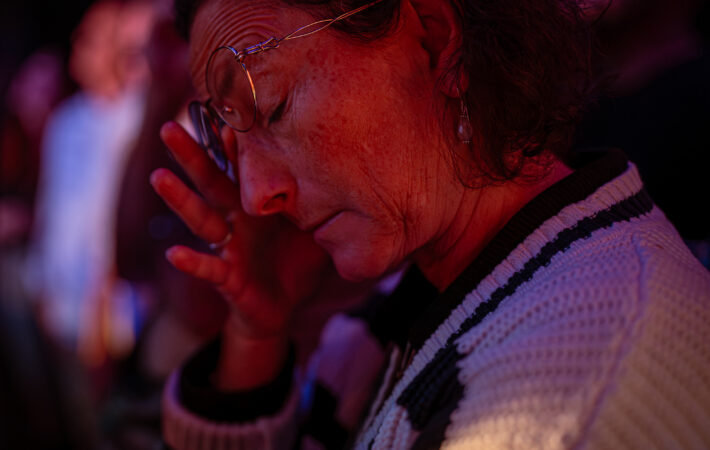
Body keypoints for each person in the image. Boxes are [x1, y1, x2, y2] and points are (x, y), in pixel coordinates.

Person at [152, 0, 710, 448]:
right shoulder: (408, 304)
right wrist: (257, 336)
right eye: (232, 142)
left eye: (273, 106)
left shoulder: (567, 384)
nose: (254, 197)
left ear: (434, 40)